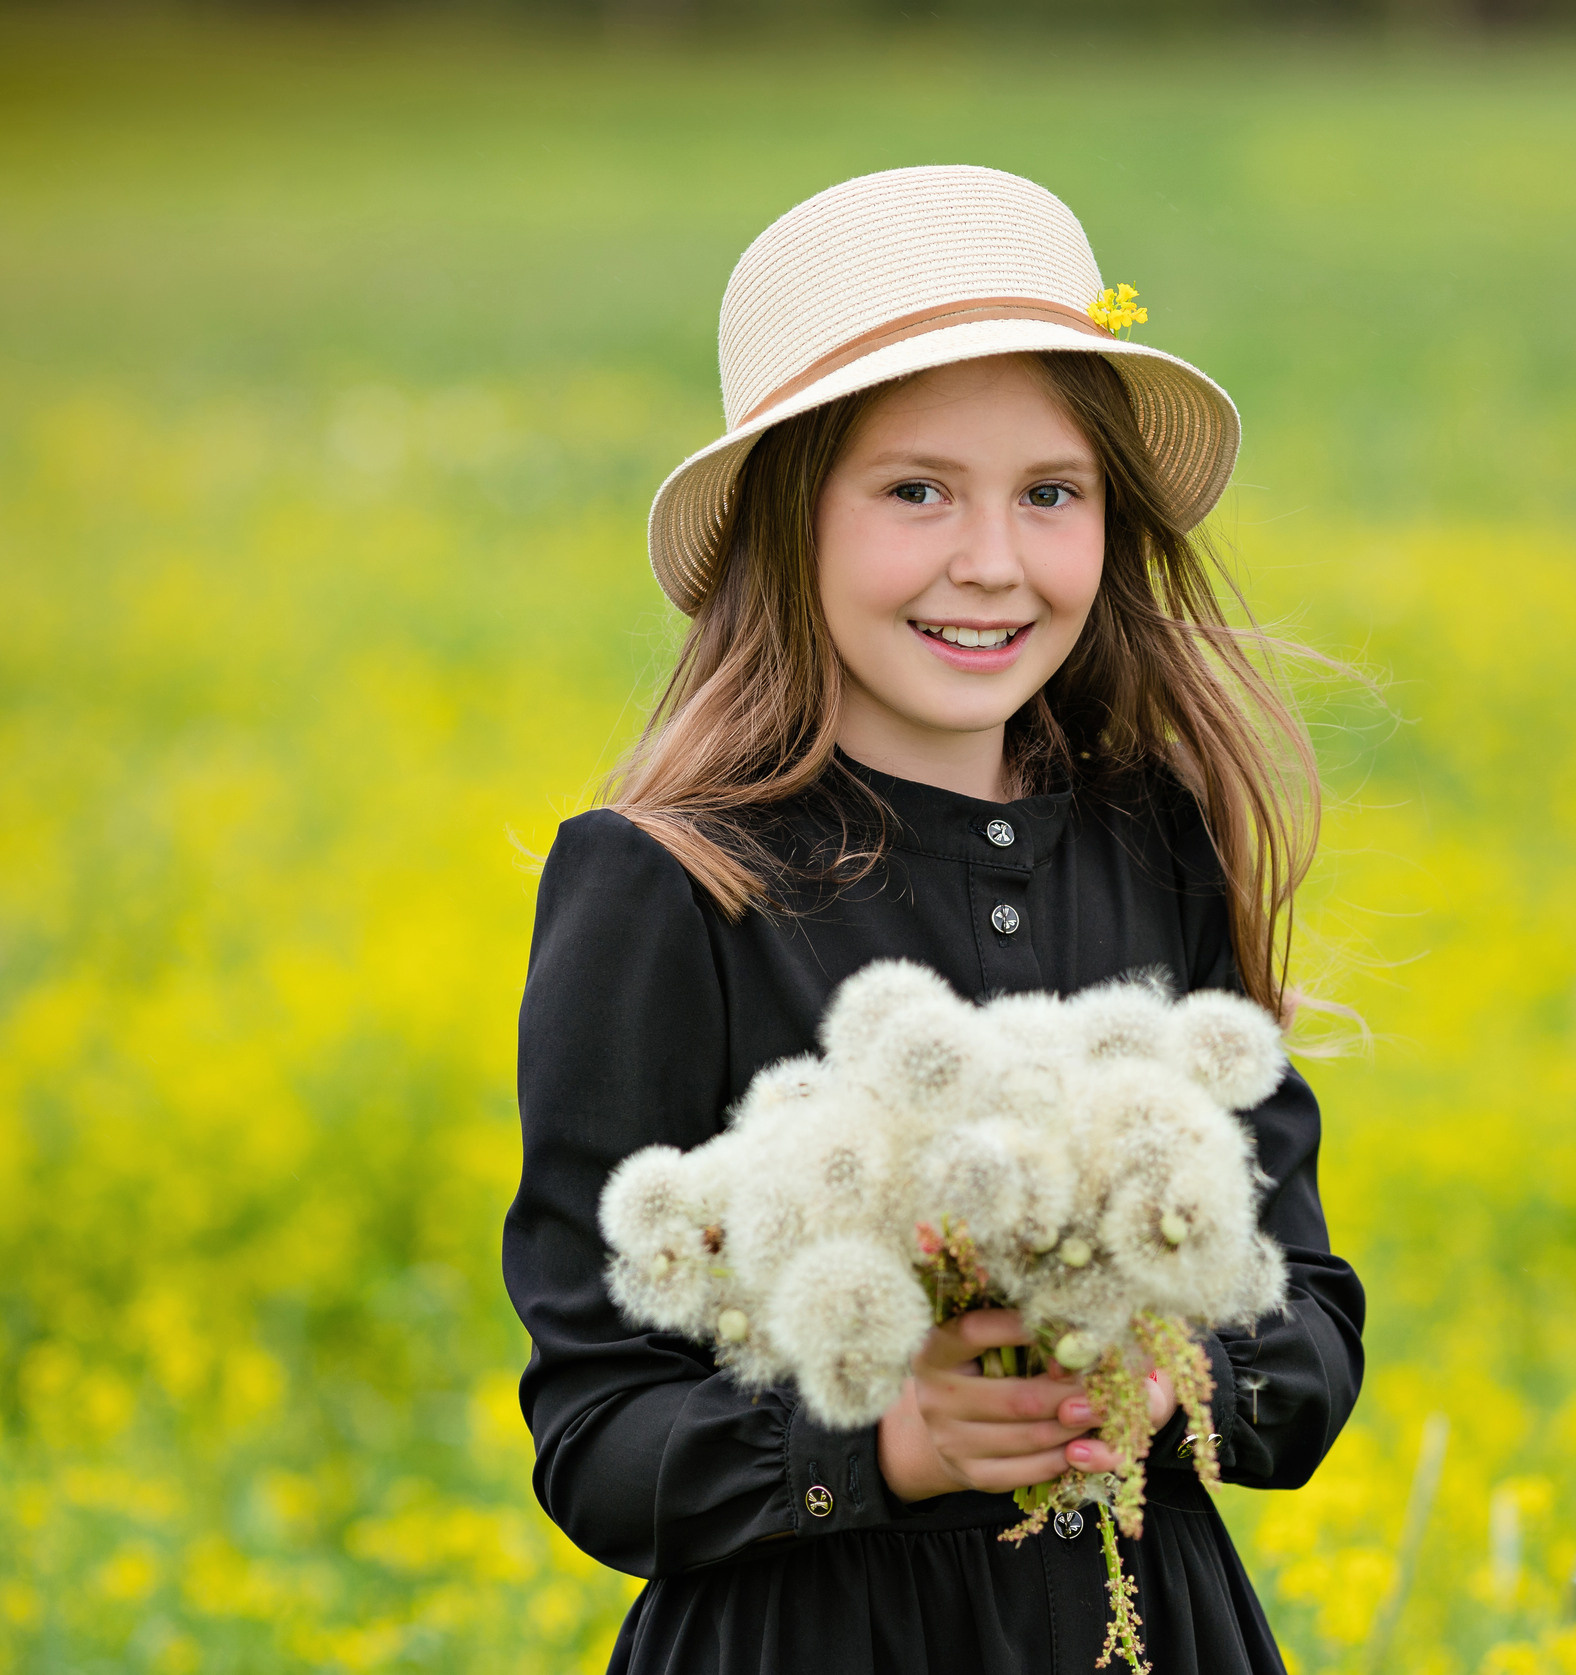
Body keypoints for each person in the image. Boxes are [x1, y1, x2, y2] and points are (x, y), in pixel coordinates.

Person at [502, 165, 1366, 1674]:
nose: (992, 561)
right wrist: (885, 1440)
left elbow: (1308, 1326)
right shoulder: (669, 885)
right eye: (916, 491)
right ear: (787, 520)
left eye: (1051, 493)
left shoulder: (1156, 841)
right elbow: (597, 1435)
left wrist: (1172, 1380)